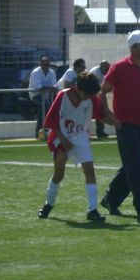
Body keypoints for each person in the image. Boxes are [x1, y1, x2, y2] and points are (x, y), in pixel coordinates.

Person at [99, 30, 140, 220]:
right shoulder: (120, 67)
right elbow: (103, 91)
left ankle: (111, 198)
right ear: (133, 48)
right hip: (124, 123)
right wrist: (108, 115)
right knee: (138, 165)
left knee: (133, 163)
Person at [37, 72, 108, 222]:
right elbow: (51, 121)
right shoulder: (62, 96)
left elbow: (101, 115)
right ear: (78, 89)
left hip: (81, 137)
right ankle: (48, 204)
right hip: (61, 138)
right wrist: (63, 140)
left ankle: (92, 210)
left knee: (90, 171)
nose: (88, 98)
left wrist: (116, 121)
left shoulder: (90, 98)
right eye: (86, 95)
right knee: (59, 174)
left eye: (90, 95)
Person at [28, 56, 58, 139]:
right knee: (45, 105)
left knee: (50, 107)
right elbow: (39, 88)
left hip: (47, 96)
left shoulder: (51, 72)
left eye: (48, 65)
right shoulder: (35, 73)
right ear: (40, 64)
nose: (46, 67)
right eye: (45, 65)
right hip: (35, 95)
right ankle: (41, 130)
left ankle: (46, 131)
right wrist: (50, 88)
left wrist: (52, 88)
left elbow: (55, 85)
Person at [89, 61, 111, 138]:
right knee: (89, 113)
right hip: (89, 94)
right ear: (103, 67)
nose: (108, 70)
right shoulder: (95, 72)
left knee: (100, 112)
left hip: (97, 94)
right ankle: (87, 131)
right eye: (107, 68)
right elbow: (92, 86)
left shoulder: (105, 73)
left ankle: (100, 131)